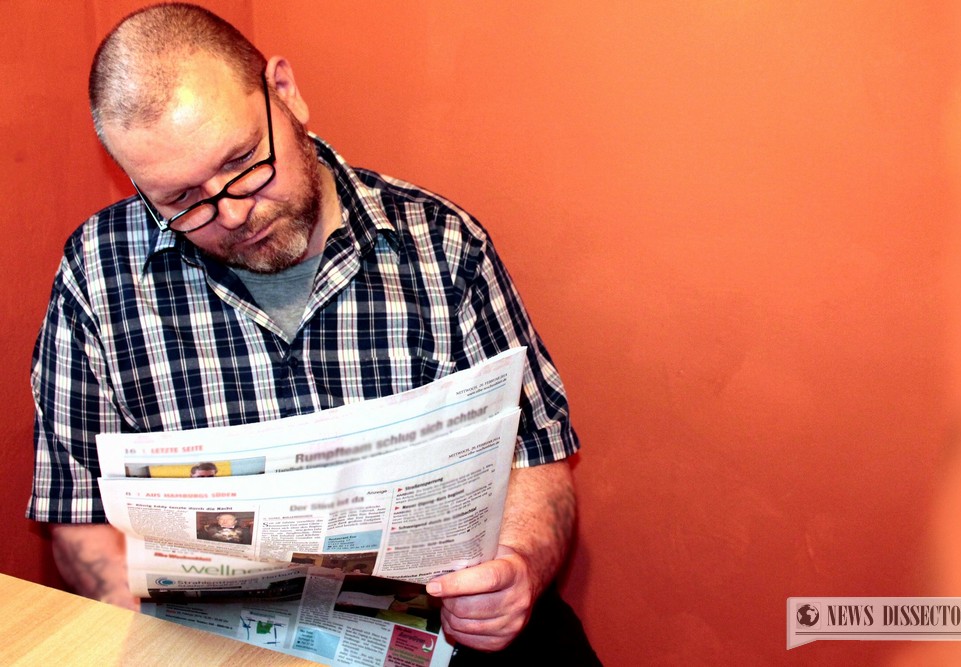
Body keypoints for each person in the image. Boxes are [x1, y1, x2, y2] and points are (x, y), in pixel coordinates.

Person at [27, 3, 599, 663]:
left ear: (286, 93)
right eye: (182, 200)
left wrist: (518, 566)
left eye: (244, 161)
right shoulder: (97, 277)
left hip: (439, 635)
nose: (235, 213)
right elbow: (79, 517)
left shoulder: (444, 247)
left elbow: (538, 458)